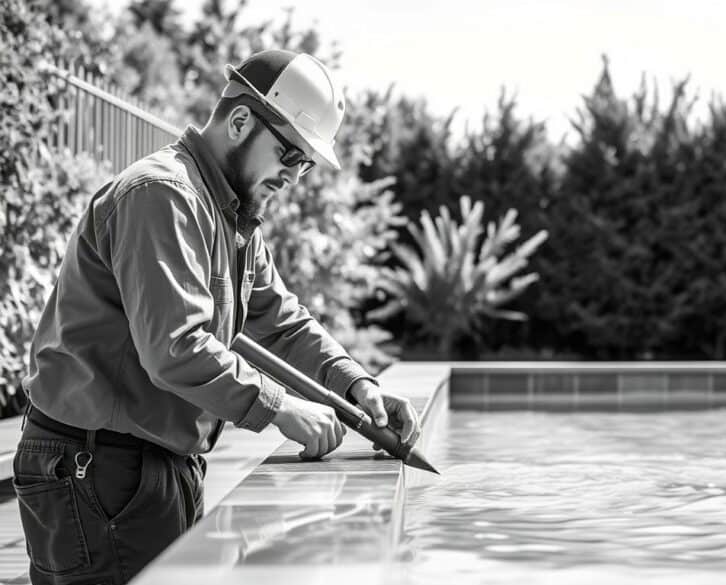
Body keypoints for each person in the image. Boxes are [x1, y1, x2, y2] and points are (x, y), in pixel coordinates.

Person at [13, 49, 421, 585]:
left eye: (304, 165)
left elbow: (279, 320)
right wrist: (281, 408)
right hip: (97, 469)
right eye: (288, 155)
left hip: (143, 465)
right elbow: (176, 347)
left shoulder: (230, 215)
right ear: (240, 120)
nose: (293, 176)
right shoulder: (163, 195)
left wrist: (353, 383)